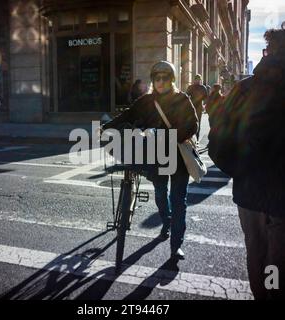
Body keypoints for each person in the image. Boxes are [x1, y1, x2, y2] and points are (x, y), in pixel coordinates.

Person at [208, 28, 285, 300]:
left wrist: (241, 170)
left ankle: (262, 295)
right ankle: (271, 293)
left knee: (256, 250)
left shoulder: (244, 88)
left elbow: (217, 142)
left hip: (249, 193)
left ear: (269, 50)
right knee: (277, 261)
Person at [102, 61, 198, 259]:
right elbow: (128, 114)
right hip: (157, 159)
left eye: (165, 78)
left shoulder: (182, 99)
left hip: (179, 159)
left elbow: (193, 126)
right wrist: (106, 127)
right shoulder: (146, 101)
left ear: (172, 80)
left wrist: (169, 136)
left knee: (179, 201)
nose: (161, 82)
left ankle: (176, 245)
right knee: (161, 195)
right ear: (153, 80)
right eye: (157, 78)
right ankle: (166, 221)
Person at [186, 74, 208, 141]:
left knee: (197, 123)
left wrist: (204, 105)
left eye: (198, 79)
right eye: (196, 79)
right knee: (191, 123)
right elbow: (186, 96)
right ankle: (192, 139)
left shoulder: (202, 87)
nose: (197, 81)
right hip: (192, 107)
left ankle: (196, 140)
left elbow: (206, 98)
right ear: (194, 80)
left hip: (198, 108)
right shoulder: (191, 87)